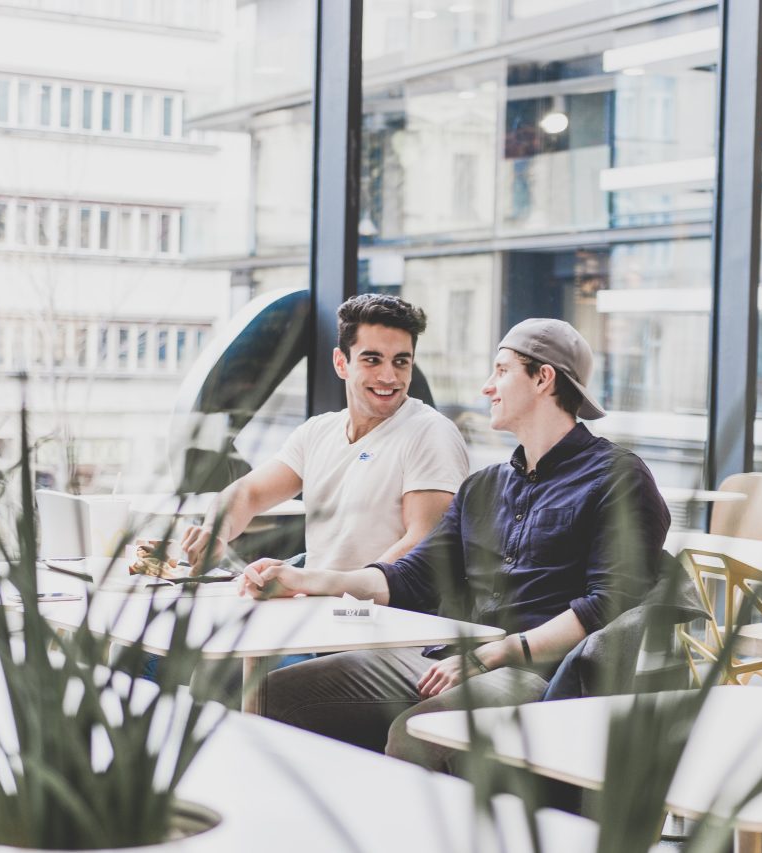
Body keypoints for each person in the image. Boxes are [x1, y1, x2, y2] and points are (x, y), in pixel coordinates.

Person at [239, 318, 671, 770]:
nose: (487, 387)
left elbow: (609, 604)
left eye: (501, 371)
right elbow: (410, 579)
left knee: (418, 733)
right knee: (271, 696)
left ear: (543, 378)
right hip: (447, 658)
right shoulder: (483, 487)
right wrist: (302, 578)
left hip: (536, 673)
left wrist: (493, 654)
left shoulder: (617, 478)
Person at [178, 293, 469, 575]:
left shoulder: (430, 432)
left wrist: (313, 582)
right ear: (341, 363)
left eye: (401, 362)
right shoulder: (318, 432)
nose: (389, 377)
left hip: (388, 615)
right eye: (372, 360)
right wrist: (215, 532)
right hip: (320, 604)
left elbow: (423, 545)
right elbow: (248, 493)